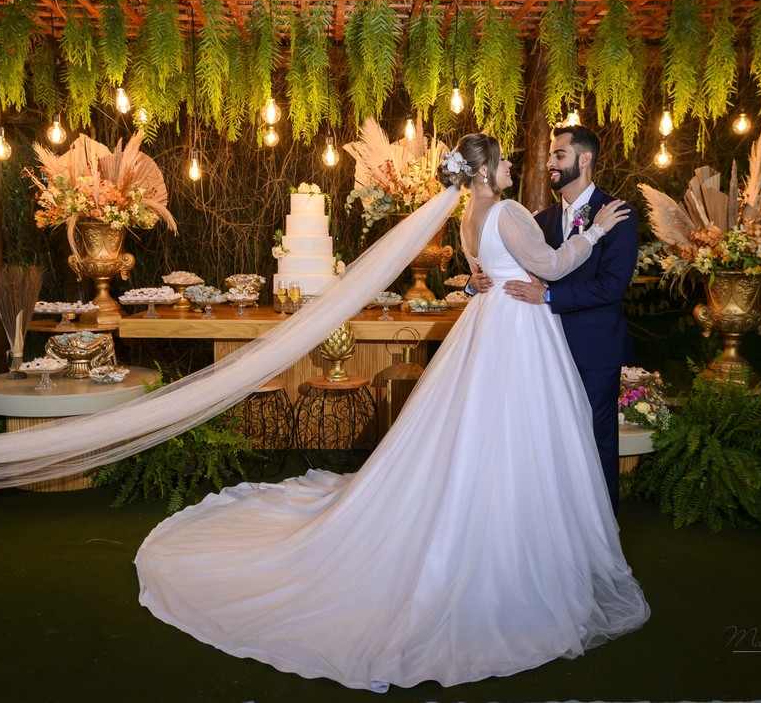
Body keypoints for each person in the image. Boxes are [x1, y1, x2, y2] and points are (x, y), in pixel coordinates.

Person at [136, 133, 649, 693]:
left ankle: (493, 515)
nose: (514, 166)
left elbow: (482, 274)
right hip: (518, 331)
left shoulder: (467, 217)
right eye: (505, 161)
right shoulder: (508, 212)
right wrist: (595, 232)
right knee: (516, 431)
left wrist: (481, 282)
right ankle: (513, 536)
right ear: (485, 172)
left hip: (489, 327)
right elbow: (549, 264)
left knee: (479, 431)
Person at [472, 125, 637, 513]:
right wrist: (475, 280)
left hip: (594, 348)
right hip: (542, 345)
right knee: (548, 440)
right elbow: (511, 263)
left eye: (559, 155)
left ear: (585, 159)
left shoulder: (616, 214)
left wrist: (548, 295)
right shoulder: (541, 219)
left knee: (595, 438)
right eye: (550, 155)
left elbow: (612, 286)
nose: (550, 162)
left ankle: (601, 525)